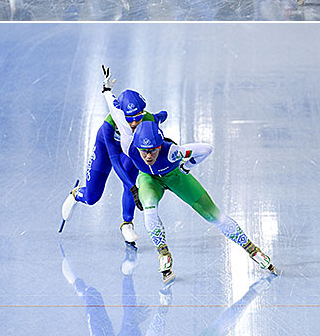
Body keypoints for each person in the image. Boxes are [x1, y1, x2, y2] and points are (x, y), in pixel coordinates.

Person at [98, 67, 278, 283]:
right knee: (149, 211)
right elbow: (115, 111)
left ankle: (252, 249)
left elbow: (206, 148)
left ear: (160, 145)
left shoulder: (173, 153)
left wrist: (186, 167)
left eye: (153, 150)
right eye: (143, 151)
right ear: (135, 146)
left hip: (175, 176)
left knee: (214, 216)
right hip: (148, 179)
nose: (148, 156)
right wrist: (107, 90)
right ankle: (163, 254)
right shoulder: (128, 142)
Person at [60, 87, 168, 248]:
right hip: (106, 150)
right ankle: (77, 194)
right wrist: (134, 190)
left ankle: (127, 223)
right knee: (92, 198)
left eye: (138, 118)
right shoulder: (108, 126)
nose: (133, 123)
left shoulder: (147, 119)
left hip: (128, 151)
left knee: (130, 179)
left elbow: (161, 116)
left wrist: (160, 117)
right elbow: (115, 163)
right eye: (129, 119)